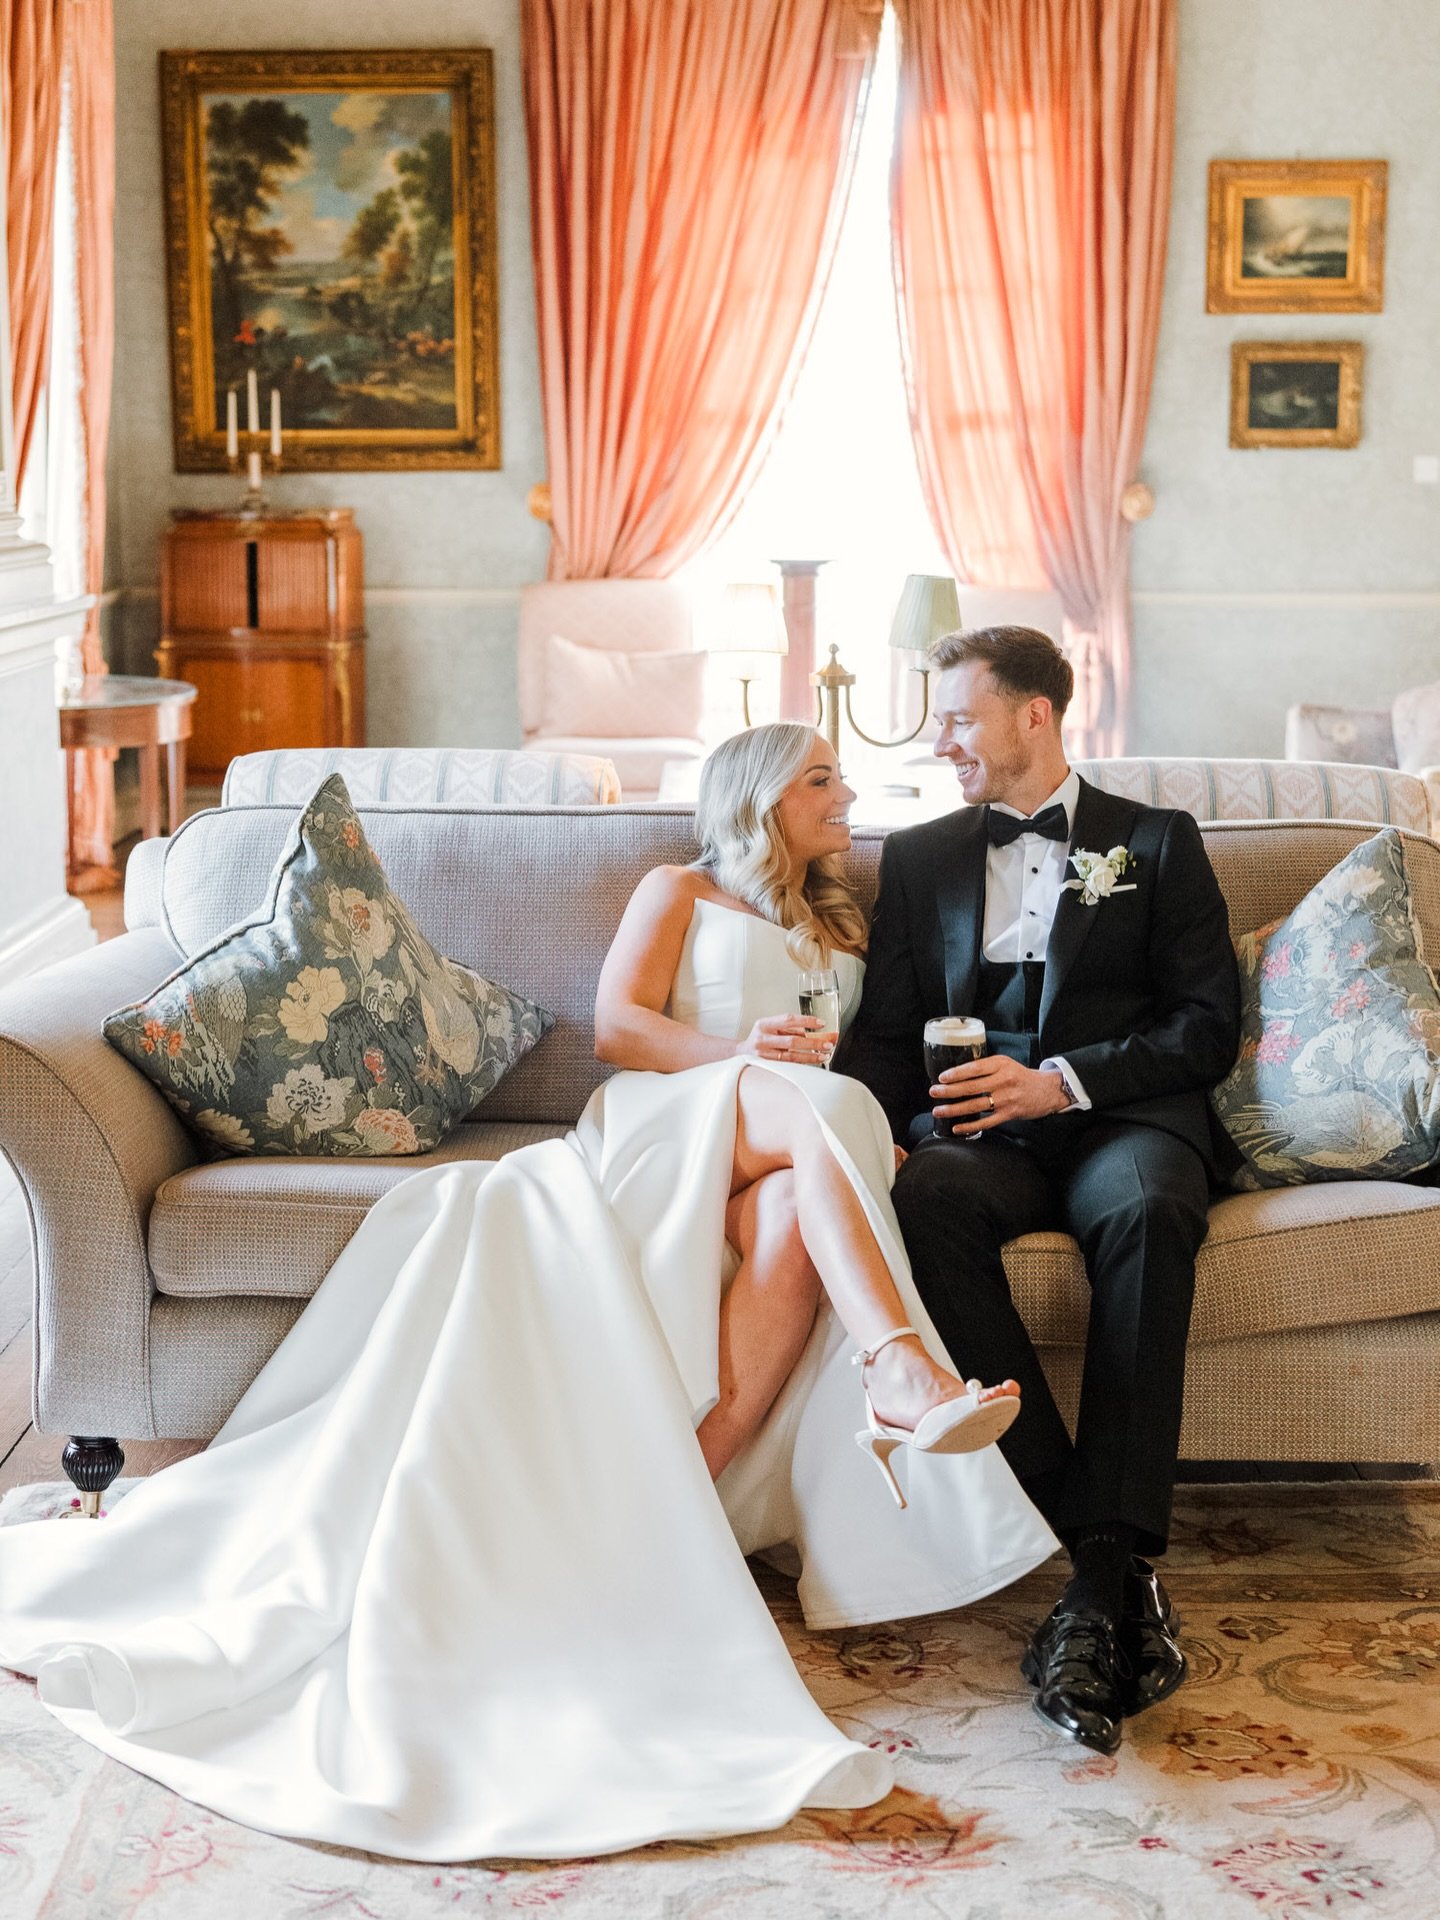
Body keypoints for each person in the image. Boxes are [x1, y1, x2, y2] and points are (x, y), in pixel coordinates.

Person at [0, 723, 1056, 1864]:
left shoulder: (845, 919)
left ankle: (675, 1499)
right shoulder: (680, 888)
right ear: (757, 797)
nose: (847, 796)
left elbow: (873, 1067)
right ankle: (897, 1364)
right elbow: (617, 1030)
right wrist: (738, 1055)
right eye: (821, 780)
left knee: (808, 1203)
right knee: (814, 1111)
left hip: (783, 1152)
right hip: (670, 1123)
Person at [836, 628, 1242, 1760]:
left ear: (1035, 718)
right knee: (924, 1210)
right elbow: (881, 1033)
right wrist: (853, 1125)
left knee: (1156, 1207)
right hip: (976, 1134)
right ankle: (1104, 1555)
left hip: (1121, 1122)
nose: (938, 737)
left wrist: (1058, 1081)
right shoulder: (917, 857)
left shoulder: (1157, 844)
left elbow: (1204, 1026)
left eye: (959, 716)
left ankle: (1095, 1579)